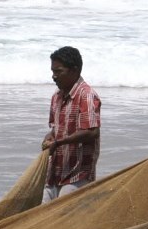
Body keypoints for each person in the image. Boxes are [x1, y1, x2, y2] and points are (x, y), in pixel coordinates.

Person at [41, 46, 102, 203]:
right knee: (41, 216)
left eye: (58, 71)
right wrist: (49, 138)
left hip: (78, 175)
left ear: (74, 71)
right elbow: (55, 129)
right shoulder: (57, 96)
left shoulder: (86, 95)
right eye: (52, 71)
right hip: (55, 173)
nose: (54, 76)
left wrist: (59, 142)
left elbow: (91, 131)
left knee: (63, 220)